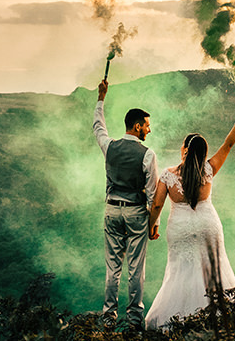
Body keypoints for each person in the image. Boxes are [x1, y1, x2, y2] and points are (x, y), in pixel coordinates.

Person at [144, 98, 235, 330]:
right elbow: (229, 144)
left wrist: (152, 227)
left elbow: (157, 206)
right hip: (207, 223)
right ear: (203, 152)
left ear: (184, 149)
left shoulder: (168, 175)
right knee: (214, 268)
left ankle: (177, 322)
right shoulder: (209, 169)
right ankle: (217, 320)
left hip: (180, 227)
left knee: (181, 272)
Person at [93, 79, 159, 330]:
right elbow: (153, 196)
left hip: (111, 210)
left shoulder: (109, 146)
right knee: (135, 269)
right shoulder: (148, 154)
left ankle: (108, 318)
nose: (149, 130)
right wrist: (154, 224)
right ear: (137, 126)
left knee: (112, 268)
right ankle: (134, 320)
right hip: (135, 214)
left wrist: (101, 97)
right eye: (147, 126)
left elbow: (98, 126)